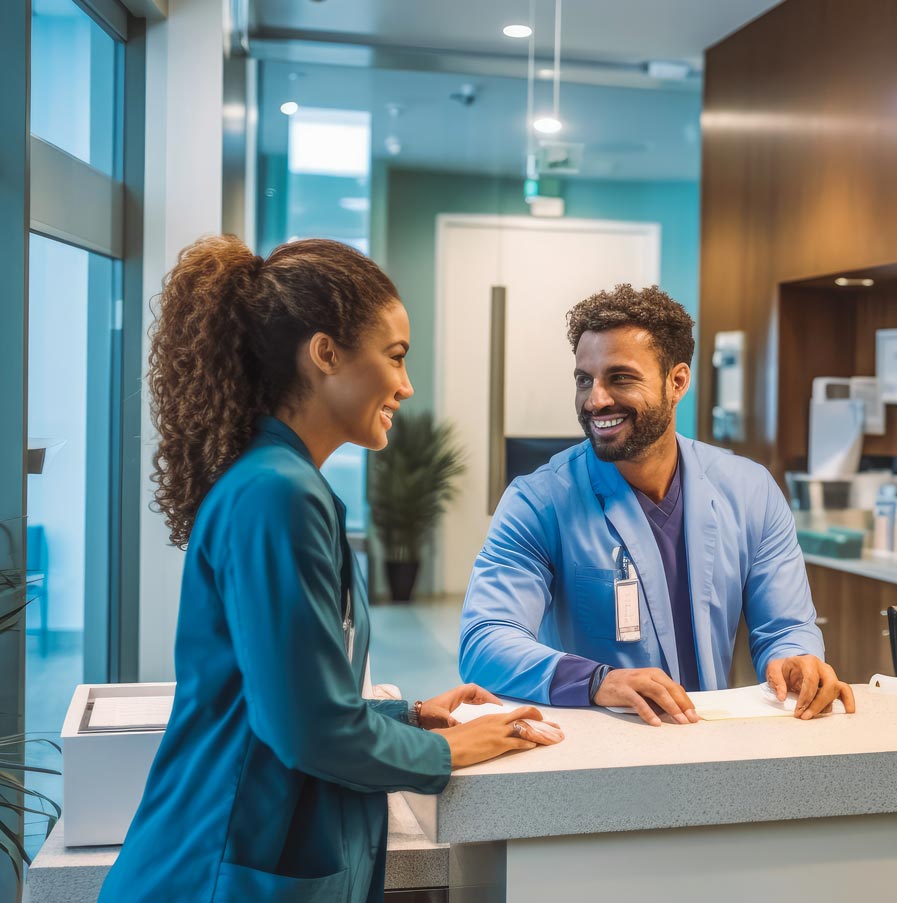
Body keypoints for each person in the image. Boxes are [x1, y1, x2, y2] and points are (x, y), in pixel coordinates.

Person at [100, 236, 562, 903]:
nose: (405, 386)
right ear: (324, 354)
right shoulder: (275, 492)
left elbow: (291, 686)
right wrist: (450, 751)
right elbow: (305, 727)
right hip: (219, 868)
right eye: (395, 357)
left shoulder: (282, 482)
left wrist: (410, 716)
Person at [459, 284, 855, 725]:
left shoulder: (750, 491)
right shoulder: (539, 501)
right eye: (584, 380)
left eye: (620, 378)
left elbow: (785, 626)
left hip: (711, 743)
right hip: (597, 751)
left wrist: (795, 659)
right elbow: (485, 641)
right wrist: (598, 681)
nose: (596, 400)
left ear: (677, 382)